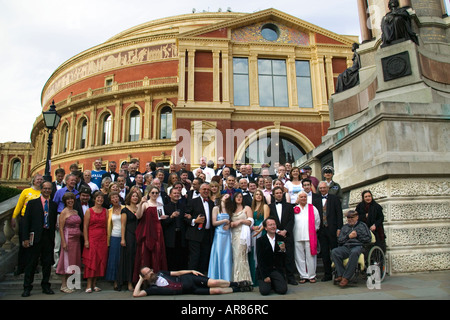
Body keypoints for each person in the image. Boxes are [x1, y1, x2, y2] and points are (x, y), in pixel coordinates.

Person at [20, 181, 58, 297]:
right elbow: (26, 222)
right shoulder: (32, 203)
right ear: (41, 189)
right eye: (45, 188)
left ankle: (46, 285)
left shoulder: (53, 205)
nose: (47, 190)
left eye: (49, 189)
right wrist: (25, 238)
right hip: (35, 237)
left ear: (51, 190)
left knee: (47, 264)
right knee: (31, 263)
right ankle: (27, 287)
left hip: (48, 237)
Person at [133, 267, 252, 297]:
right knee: (217, 291)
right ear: (145, 278)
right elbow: (136, 294)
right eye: (147, 273)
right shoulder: (151, 289)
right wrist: (140, 280)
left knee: (214, 282)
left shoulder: (161, 273)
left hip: (189, 278)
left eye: (150, 270)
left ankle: (238, 283)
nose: (151, 273)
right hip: (190, 289)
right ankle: (239, 289)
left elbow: (178, 273)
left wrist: (191, 270)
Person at [133, 185, 168, 283]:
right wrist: (140, 204)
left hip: (158, 231)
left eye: (156, 193)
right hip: (147, 231)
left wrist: (164, 217)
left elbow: (160, 218)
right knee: (146, 254)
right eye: (152, 192)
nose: (154, 194)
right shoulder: (145, 204)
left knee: (158, 253)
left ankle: (157, 279)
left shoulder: (160, 204)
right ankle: (144, 281)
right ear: (149, 194)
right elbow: (138, 216)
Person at [12, 174, 43, 276]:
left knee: (35, 246)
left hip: (37, 221)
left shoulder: (42, 193)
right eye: (38, 179)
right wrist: (13, 217)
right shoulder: (26, 191)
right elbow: (19, 205)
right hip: (25, 220)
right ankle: (21, 267)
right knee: (23, 244)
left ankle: (32, 266)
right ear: (33, 181)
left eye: (41, 180)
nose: (39, 181)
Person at [331, 210, 372, 287]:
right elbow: (340, 240)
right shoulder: (345, 227)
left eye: (352, 217)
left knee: (354, 252)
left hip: (358, 246)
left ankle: (346, 278)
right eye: (348, 218)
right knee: (334, 251)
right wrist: (348, 236)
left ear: (357, 217)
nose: (350, 219)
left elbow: (368, 239)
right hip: (346, 247)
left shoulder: (362, 225)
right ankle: (341, 274)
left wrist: (357, 235)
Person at [268, 186, 297, 285]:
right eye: (277, 193)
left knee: (289, 256)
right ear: (273, 195)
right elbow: (269, 220)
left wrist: (285, 231)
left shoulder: (289, 206)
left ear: (283, 194)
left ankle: (291, 278)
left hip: (287, 235)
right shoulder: (270, 207)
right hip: (276, 235)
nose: (279, 194)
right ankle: (281, 278)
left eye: (280, 193)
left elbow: (291, 220)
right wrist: (276, 230)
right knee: (278, 257)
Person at [185, 183, 214, 274]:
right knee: (194, 257)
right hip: (195, 235)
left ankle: (201, 279)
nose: (206, 191)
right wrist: (194, 221)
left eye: (208, 190)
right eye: (204, 189)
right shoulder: (192, 201)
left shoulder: (211, 203)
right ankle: (191, 278)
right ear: (200, 190)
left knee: (204, 257)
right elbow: (185, 217)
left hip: (207, 234)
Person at [56, 192, 82, 293]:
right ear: (65, 201)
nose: (70, 201)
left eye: (72, 199)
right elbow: (61, 229)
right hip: (68, 238)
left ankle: (69, 284)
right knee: (65, 261)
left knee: (73, 261)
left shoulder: (75, 211)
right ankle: (63, 285)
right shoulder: (63, 212)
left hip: (76, 239)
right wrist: (63, 242)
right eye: (68, 199)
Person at [83, 191, 109, 293]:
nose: (100, 200)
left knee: (99, 261)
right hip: (92, 237)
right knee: (91, 261)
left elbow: (107, 226)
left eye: (101, 198)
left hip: (102, 238)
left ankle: (95, 284)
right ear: (94, 199)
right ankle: (88, 285)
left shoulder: (106, 211)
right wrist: (86, 240)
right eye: (98, 198)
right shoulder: (89, 211)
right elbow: (85, 226)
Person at [317, 181, 343, 282]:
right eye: (321, 188)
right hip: (321, 230)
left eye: (324, 188)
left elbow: (339, 214)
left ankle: (338, 272)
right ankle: (327, 274)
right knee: (324, 253)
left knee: (335, 251)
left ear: (328, 188)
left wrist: (339, 228)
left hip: (332, 229)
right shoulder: (316, 199)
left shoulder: (334, 198)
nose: (322, 190)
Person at [255, 217, 288, 296]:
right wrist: (265, 276)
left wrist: (283, 250)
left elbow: (283, 258)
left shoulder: (280, 238)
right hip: (265, 270)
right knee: (265, 292)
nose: (273, 226)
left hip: (276, 269)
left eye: (274, 224)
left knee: (282, 290)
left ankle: (274, 283)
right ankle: (267, 282)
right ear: (266, 228)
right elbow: (260, 260)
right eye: (270, 225)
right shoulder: (260, 241)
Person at [293, 191, 320, 283]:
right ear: (298, 198)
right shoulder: (295, 209)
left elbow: (317, 221)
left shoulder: (313, 208)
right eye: (301, 197)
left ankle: (311, 275)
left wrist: (314, 230)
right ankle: (303, 275)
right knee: (299, 256)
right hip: (297, 235)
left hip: (309, 236)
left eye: (305, 197)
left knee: (311, 256)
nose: (303, 198)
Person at [118, 187, 141, 291]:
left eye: (136, 196)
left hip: (139, 236)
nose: (135, 198)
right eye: (133, 196)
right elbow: (123, 225)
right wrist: (123, 239)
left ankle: (137, 281)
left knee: (137, 259)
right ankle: (129, 282)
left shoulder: (139, 208)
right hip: (129, 235)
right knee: (129, 259)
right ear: (129, 197)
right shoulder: (125, 209)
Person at [161, 187, 188, 271]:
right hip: (170, 236)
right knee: (171, 258)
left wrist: (189, 217)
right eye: (174, 193)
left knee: (182, 257)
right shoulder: (165, 207)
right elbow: (163, 223)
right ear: (170, 195)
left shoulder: (183, 206)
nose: (176, 195)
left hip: (181, 235)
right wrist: (171, 217)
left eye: (178, 193)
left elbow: (185, 220)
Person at [229, 191, 253, 283]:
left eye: (240, 197)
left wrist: (240, 221)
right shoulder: (231, 209)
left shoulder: (246, 208)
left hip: (242, 234)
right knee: (234, 256)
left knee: (241, 256)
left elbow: (250, 222)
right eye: (237, 197)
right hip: (233, 234)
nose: (239, 198)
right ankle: (235, 279)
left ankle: (244, 279)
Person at [208, 194, 232, 281]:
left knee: (227, 255)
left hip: (227, 234)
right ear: (221, 197)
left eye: (228, 197)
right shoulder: (216, 208)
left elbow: (231, 221)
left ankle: (226, 277)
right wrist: (224, 221)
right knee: (218, 253)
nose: (227, 197)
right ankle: (216, 276)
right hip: (219, 234)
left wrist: (229, 224)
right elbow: (214, 223)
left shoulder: (229, 209)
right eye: (225, 196)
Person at [249, 189, 270, 285]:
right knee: (253, 254)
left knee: (260, 254)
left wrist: (259, 231)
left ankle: (262, 278)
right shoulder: (252, 208)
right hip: (253, 231)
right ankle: (254, 279)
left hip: (261, 232)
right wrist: (253, 228)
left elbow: (266, 221)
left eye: (260, 194)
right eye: (256, 194)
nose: (258, 196)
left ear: (262, 197)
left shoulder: (265, 206)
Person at [105, 191, 125, 290]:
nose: (115, 199)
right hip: (114, 236)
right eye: (113, 198)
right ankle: (116, 281)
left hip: (124, 236)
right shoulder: (109, 211)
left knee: (122, 258)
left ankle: (123, 279)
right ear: (110, 200)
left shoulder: (124, 208)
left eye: (116, 197)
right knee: (114, 259)